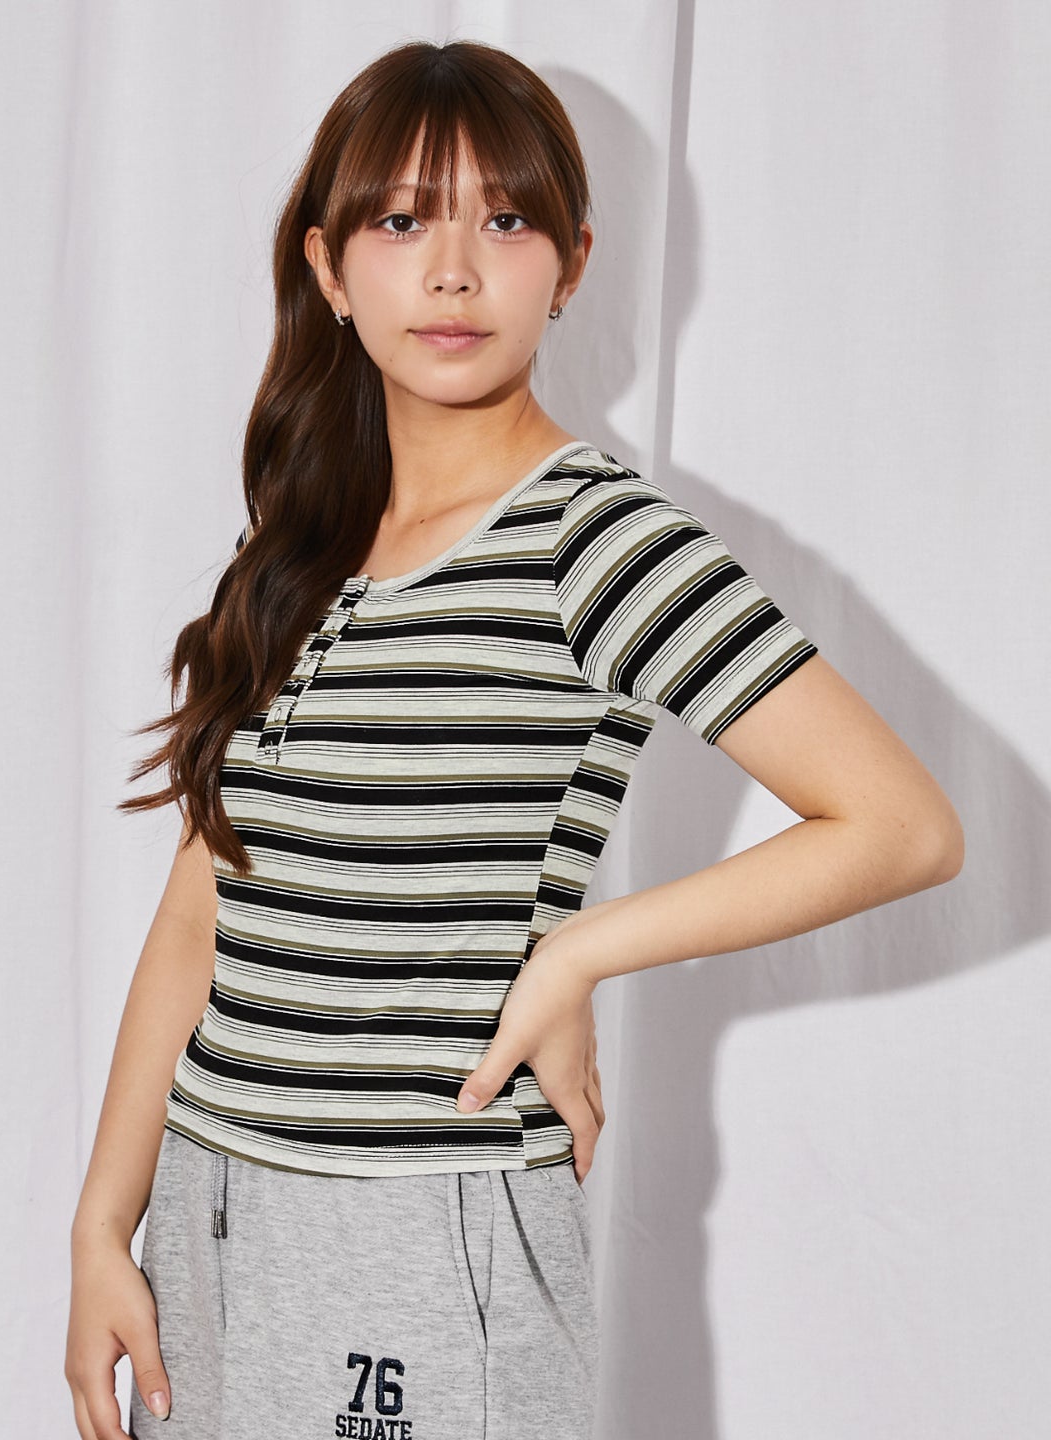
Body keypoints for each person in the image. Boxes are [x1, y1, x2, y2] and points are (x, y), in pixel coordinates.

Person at [64, 36, 963, 1440]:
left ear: (571, 263)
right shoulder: (298, 550)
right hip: (209, 1208)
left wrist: (578, 951)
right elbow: (202, 905)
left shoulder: (595, 538)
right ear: (327, 268)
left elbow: (903, 825)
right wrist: (101, 1230)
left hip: (423, 1228)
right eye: (400, 222)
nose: (452, 272)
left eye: (504, 220)